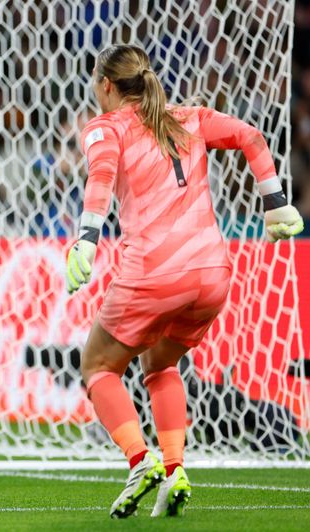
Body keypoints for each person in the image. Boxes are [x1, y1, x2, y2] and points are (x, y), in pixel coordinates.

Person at [65, 44, 303, 518]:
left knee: (97, 367)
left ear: (106, 85)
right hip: (213, 275)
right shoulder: (189, 117)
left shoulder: (105, 128)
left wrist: (87, 239)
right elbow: (252, 137)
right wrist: (275, 203)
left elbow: (101, 177)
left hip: (154, 271)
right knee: (159, 364)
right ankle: (174, 471)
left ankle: (140, 461)